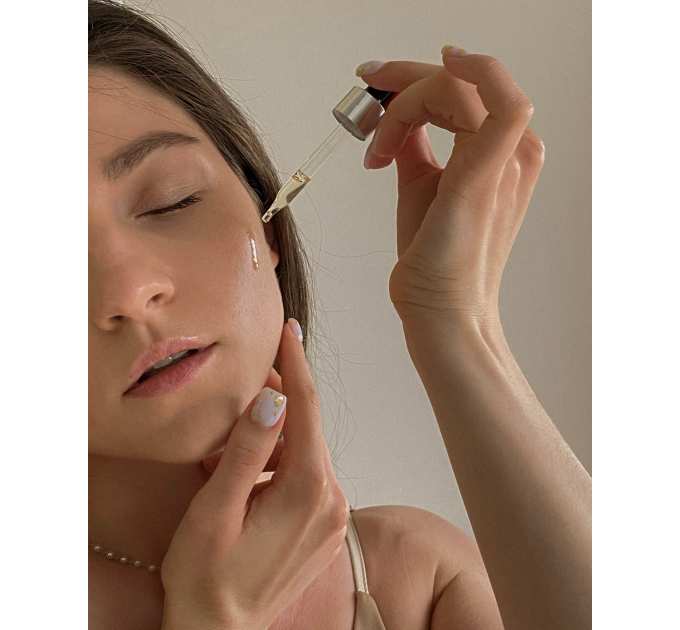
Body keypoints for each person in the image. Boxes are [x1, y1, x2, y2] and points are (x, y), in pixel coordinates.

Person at [88, 1, 591, 629]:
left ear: (268, 219)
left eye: (173, 201)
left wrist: (456, 321)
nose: (129, 292)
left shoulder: (414, 579)